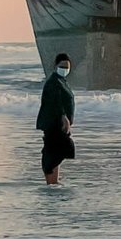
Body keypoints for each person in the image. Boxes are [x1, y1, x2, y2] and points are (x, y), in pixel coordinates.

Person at [36, 54, 75, 184]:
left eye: (67, 67)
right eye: (62, 66)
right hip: (54, 123)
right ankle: (51, 181)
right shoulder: (53, 81)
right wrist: (63, 116)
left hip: (58, 125)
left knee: (57, 151)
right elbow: (55, 101)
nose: (64, 69)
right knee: (54, 151)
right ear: (55, 66)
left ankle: (54, 180)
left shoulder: (61, 80)